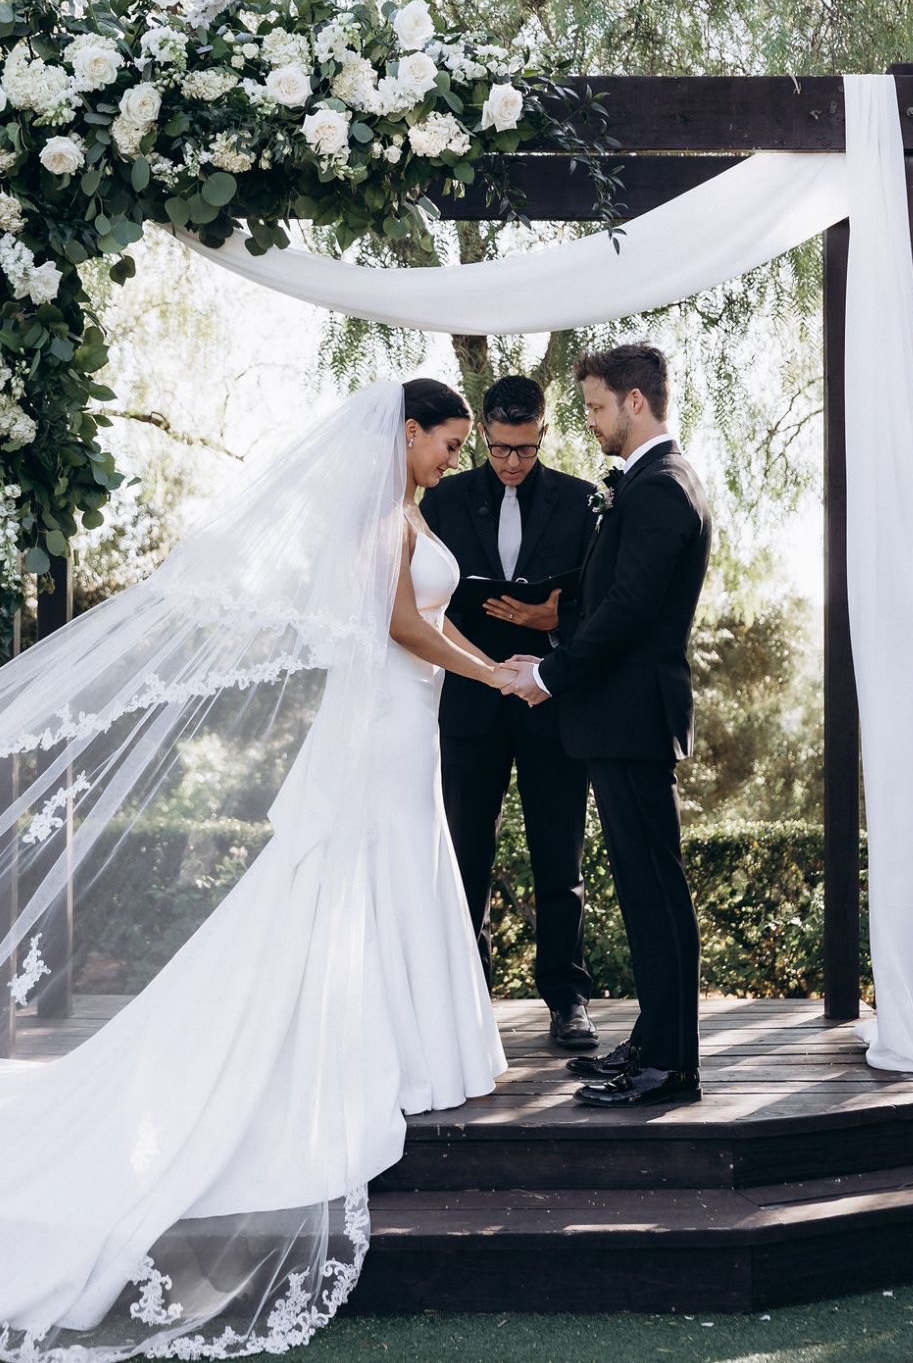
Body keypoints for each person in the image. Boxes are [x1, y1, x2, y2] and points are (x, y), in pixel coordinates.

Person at [0, 379, 513, 1361]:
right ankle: (400, 1049)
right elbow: (399, 624)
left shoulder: (406, 510)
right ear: (406, 436)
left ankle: (427, 1046)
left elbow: (423, 619)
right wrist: (490, 669)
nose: (451, 459)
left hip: (409, 720)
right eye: (445, 443)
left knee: (408, 859)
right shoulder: (382, 522)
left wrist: (482, 660)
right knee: (378, 862)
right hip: (384, 720)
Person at [504, 344, 712, 1109]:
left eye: (593, 406)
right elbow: (605, 602)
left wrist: (549, 676)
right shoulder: (651, 483)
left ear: (633, 401)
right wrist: (553, 643)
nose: (588, 421)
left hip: (630, 718)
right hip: (617, 718)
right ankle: (653, 1042)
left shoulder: (660, 487)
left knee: (655, 893)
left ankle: (671, 1066)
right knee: (641, 889)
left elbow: (628, 612)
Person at [420, 376, 598, 1051]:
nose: (510, 462)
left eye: (523, 450)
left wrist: (556, 618)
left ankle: (567, 998)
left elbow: (600, 601)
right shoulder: (444, 496)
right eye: (498, 449)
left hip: (551, 699)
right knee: (465, 853)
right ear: (484, 437)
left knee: (561, 857)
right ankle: (467, 996)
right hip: (469, 699)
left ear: (544, 434)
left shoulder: (583, 501)